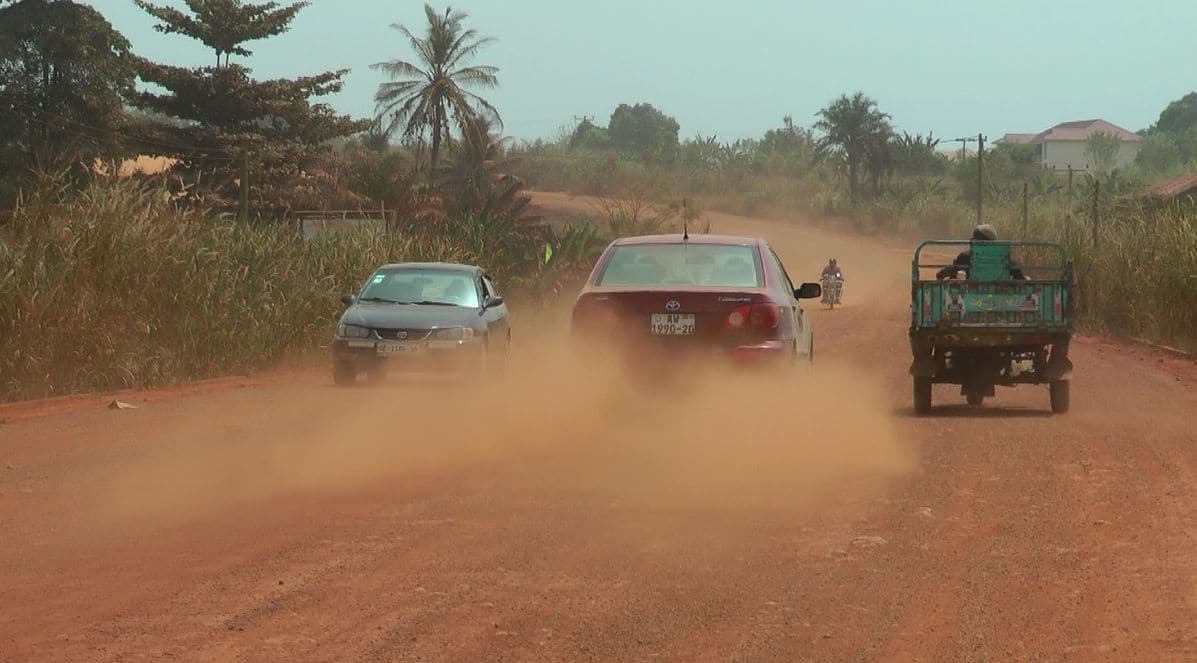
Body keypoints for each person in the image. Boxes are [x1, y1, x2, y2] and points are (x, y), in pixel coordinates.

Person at [936, 224, 1026, 280]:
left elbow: (951, 272)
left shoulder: (965, 257)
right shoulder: (1004, 258)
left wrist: (940, 274)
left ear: (974, 240)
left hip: (970, 297)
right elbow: (1020, 277)